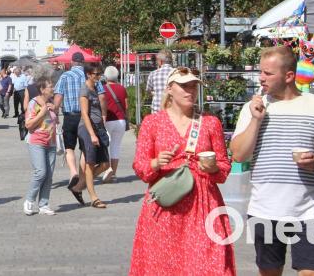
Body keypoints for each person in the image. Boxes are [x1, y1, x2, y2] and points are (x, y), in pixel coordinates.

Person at [230, 46, 314, 276]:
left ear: (289, 76)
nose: (261, 78)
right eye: (261, 72)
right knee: (270, 272)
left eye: (268, 73)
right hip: (264, 210)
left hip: (309, 212)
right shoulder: (252, 107)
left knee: (312, 272)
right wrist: (256, 120)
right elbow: (238, 155)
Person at [130, 67, 235, 275]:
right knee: (161, 264)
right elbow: (140, 167)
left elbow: (223, 168)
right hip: (165, 206)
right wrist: (156, 163)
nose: (190, 91)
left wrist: (213, 168)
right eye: (184, 86)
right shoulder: (152, 123)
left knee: (206, 264)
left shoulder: (209, 122)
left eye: (194, 86)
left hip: (203, 204)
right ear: (170, 89)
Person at [54, 52, 87, 204]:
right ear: (83, 62)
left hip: (70, 116)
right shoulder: (89, 76)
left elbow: (59, 97)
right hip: (86, 117)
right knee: (85, 149)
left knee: (69, 147)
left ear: (72, 62)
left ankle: (73, 172)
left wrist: (54, 113)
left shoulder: (65, 76)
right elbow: (100, 96)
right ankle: (81, 174)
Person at [23, 77, 58, 215]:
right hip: (37, 141)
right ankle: (29, 201)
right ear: (42, 89)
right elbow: (28, 124)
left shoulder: (50, 102)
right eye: (50, 86)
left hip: (51, 142)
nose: (53, 89)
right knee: (40, 172)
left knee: (49, 175)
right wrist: (42, 113)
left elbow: (55, 121)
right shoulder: (34, 103)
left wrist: (54, 110)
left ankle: (43, 204)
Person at [78, 65, 110, 208]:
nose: (99, 77)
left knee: (105, 164)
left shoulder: (95, 88)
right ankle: (94, 198)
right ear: (88, 74)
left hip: (98, 127)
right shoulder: (84, 89)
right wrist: (92, 134)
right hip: (87, 128)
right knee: (90, 163)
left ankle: (81, 185)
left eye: (100, 74)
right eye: (96, 74)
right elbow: (84, 113)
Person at [103, 65, 130, 181]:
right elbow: (126, 106)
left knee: (105, 145)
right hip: (120, 120)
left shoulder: (102, 88)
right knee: (116, 147)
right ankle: (113, 173)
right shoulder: (122, 88)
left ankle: (107, 169)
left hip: (107, 120)